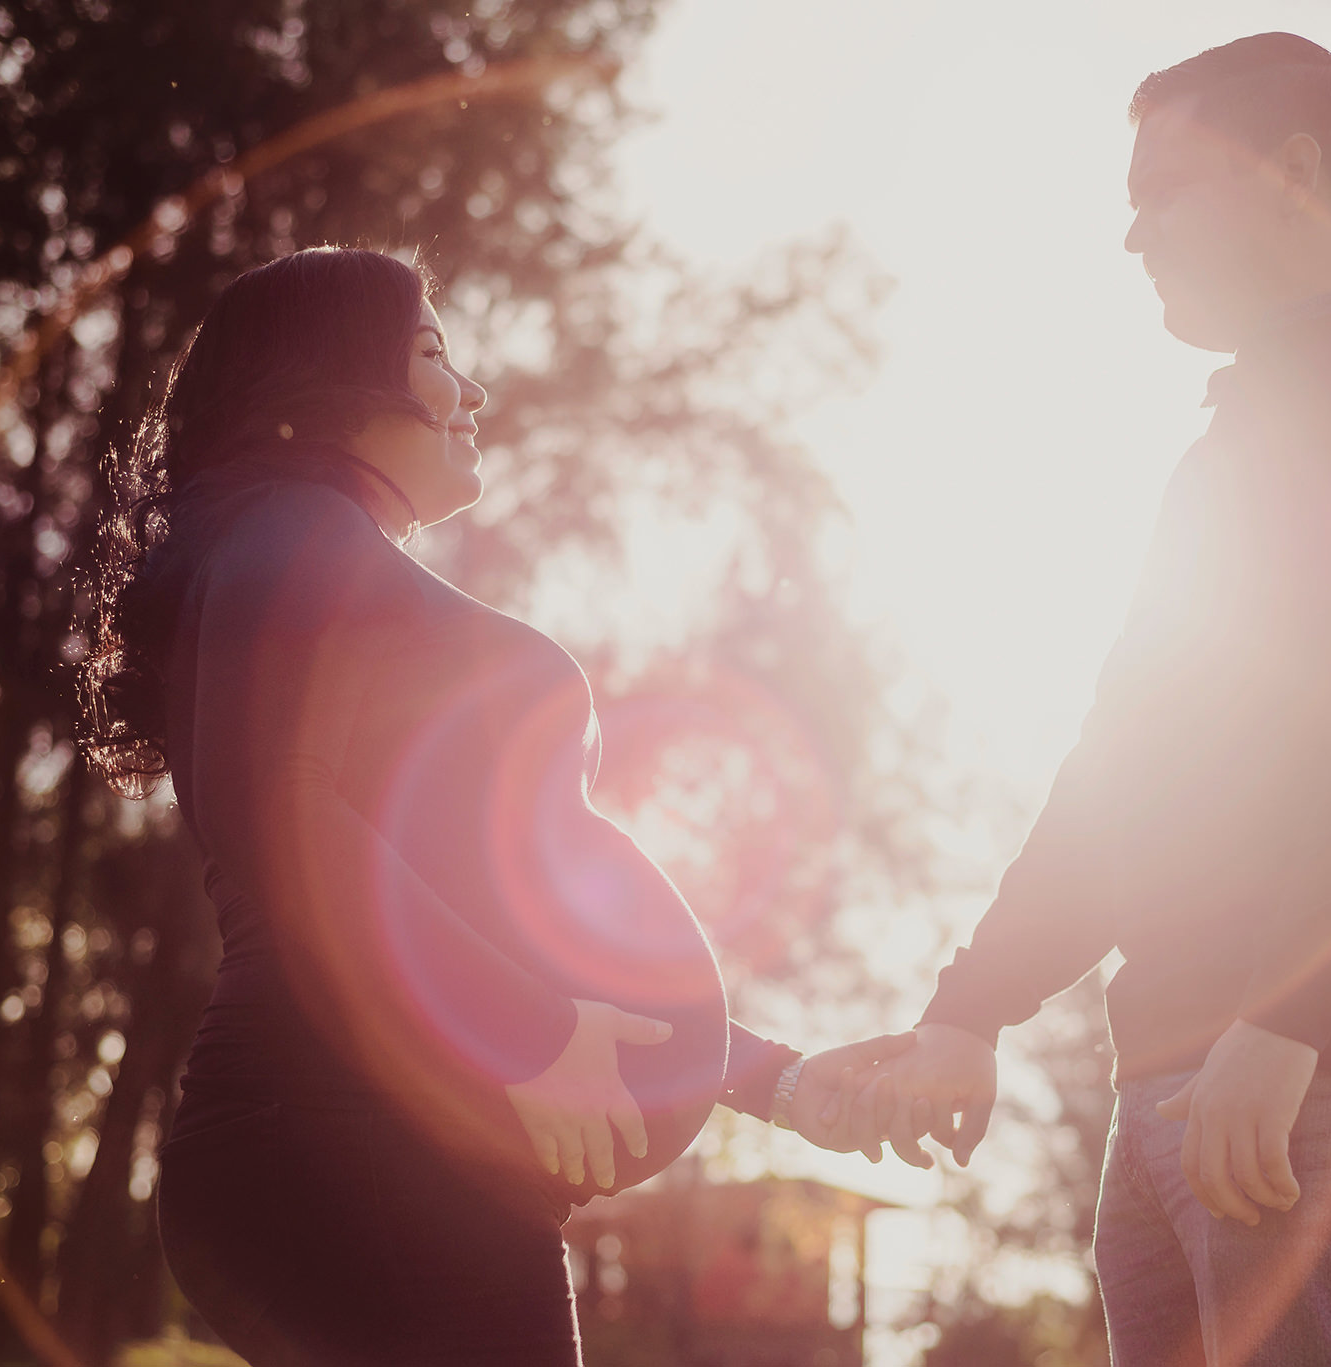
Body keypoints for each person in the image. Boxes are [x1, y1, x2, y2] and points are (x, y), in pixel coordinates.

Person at [841, 32, 1331, 1366]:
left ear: (1293, 173)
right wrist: (970, 1006)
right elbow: (1128, 762)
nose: (1131, 236)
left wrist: (1301, 1007)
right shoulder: (1229, 447)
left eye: (1162, 190)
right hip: (1187, 1068)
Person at [76, 246, 907, 1366]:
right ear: (325, 378)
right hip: (352, 1142)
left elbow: (483, 899)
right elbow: (282, 824)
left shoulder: (316, 549)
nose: (471, 391)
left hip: (392, 1147)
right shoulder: (297, 533)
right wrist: (527, 1033)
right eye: (430, 353)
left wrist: (776, 1080)